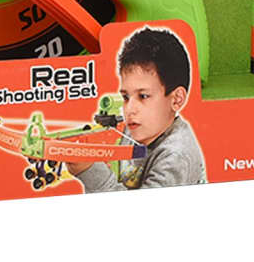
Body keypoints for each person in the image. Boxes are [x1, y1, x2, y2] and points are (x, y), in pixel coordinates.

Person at [68, 27, 207, 191]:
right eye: (126, 97)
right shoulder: (134, 129)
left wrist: (91, 172)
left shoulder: (176, 156)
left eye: (143, 96)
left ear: (176, 99)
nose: (130, 109)